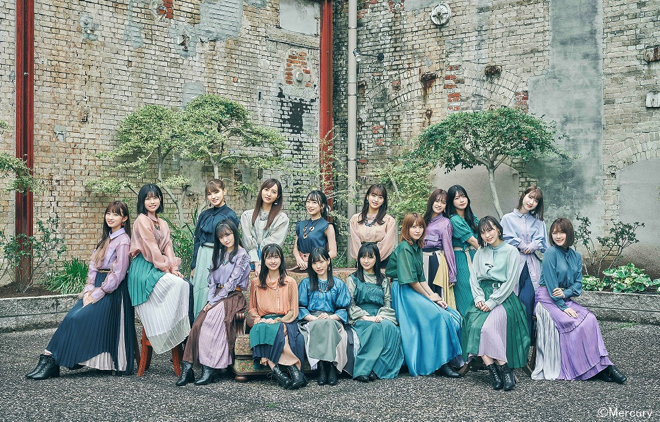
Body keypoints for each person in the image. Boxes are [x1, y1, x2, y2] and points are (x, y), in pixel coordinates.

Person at [26, 201, 136, 380]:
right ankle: (48, 359)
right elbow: (92, 267)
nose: (110, 217)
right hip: (97, 287)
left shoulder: (123, 241)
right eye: (108, 213)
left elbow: (119, 273)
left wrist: (99, 293)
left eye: (116, 214)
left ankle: (51, 360)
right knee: (71, 316)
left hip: (112, 293)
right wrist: (88, 291)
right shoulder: (105, 239)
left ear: (124, 219)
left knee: (78, 318)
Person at [532, 218, 626, 383]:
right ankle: (599, 369)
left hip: (564, 298)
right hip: (547, 299)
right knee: (571, 321)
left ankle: (600, 367)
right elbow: (552, 286)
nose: (558, 236)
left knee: (590, 319)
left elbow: (578, 286)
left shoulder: (575, 256)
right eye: (554, 233)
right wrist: (562, 306)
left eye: (562, 232)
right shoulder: (550, 253)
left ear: (569, 234)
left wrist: (566, 293)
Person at [386, 213, 462, 378]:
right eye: (413, 227)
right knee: (439, 316)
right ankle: (441, 364)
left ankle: (450, 359)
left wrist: (435, 296)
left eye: (420, 226)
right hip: (403, 291)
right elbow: (412, 282)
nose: (418, 230)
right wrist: (429, 298)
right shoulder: (404, 248)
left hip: (414, 289)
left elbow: (421, 278)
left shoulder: (417, 247)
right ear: (406, 229)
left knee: (453, 314)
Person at [176, 221, 250, 386]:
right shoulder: (219, 253)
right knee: (197, 324)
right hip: (217, 296)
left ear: (235, 233)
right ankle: (187, 368)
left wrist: (213, 302)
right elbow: (211, 281)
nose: (225, 239)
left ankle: (209, 368)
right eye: (221, 237)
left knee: (210, 321)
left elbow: (231, 283)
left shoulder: (242, 255)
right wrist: (211, 300)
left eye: (228, 234)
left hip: (233, 296)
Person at [461, 216, 530, 391]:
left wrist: (493, 302)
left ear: (498, 229)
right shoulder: (480, 252)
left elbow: (511, 282)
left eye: (490, 230)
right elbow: (474, 278)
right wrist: (478, 298)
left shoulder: (511, 251)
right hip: (482, 297)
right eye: (483, 232)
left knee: (487, 329)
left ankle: (505, 370)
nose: (487, 235)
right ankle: (495, 374)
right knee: (475, 327)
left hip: (503, 298)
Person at [127, 184, 191, 356]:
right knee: (177, 284)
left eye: (155, 197)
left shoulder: (163, 223)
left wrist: (173, 268)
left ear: (160, 199)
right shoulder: (142, 220)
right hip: (143, 267)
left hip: (159, 265)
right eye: (148, 198)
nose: (152, 201)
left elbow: (168, 247)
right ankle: (163, 331)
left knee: (183, 284)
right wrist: (167, 269)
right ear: (142, 201)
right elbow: (152, 249)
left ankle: (174, 331)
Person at [247, 244, 306, 389]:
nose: (273, 261)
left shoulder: (290, 282)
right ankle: (286, 373)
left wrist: (279, 320)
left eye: (276, 257)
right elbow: (252, 308)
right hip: (263, 320)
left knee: (279, 329)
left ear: (281, 259)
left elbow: (293, 310)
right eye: (269, 258)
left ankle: (286, 372)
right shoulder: (256, 282)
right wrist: (259, 319)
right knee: (261, 328)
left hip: (285, 319)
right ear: (264, 260)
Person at [346, 243, 404, 382]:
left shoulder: (382, 279)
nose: (366, 261)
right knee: (375, 328)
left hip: (380, 314)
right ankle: (362, 371)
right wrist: (366, 317)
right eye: (363, 257)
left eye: (370, 257)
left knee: (391, 328)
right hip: (361, 316)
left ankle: (378, 370)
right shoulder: (352, 279)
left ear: (376, 259)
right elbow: (350, 303)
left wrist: (381, 316)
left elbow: (387, 302)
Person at [298, 247, 353, 386]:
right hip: (312, 319)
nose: (318, 266)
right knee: (320, 325)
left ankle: (330, 366)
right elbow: (301, 308)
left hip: (332, 318)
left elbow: (343, 309)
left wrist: (330, 317)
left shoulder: (338, 284)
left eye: (321, 261)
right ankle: (323, 367)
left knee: (327, 324)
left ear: (328, 261)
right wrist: (315, 319)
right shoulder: (306, 283)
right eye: (314, 263)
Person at [500, 186, 548, 338]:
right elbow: (503, 240)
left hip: (532, 266)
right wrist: (520, 244)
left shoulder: (539, 222)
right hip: (513, 264)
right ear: (523, 196)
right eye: (530, 197)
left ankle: (525, 344)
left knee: (527, 303)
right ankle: (510, 344)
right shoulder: (507, 218)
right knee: (511, 304)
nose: (531, 202)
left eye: (536, 200)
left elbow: (544, 245)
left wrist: (534, 245)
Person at [190, 179, 240, 318]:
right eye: (209, 194)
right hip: (202, 256)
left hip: (219, 256)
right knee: (199, 291)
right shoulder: (204, 215)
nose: (213, 196)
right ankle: (196, 325)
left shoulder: (230, 215)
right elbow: (197, 240)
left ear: (224, 191)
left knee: (213, 290)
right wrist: (194, 265)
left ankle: (210, 326)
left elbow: (231, 242)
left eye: (216, 192)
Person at [240, 179, 289, 276]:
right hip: (250, 258)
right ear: (261, 191)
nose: (269, 194)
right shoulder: (247, 215)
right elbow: (247, 240)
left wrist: (262, 263)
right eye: (266, 190)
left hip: (271, 260)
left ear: (278, 196)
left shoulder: (282, 219)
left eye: (273, 192)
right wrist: (256, 262)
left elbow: (275, 242)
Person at [447, 185, 479, 316]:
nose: (461, 200)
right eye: (457, 198)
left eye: (463, 196)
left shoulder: (471, 216)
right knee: (467, 293)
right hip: (461, 259)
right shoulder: (454, 219)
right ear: (451, 201)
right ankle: (468, 325)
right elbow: (473, 241)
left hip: (475, 256)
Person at [422, 188, 457, 308]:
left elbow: (448, 248)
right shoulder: (423, 220)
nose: (439, 205)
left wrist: (452, 274)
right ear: (431, 202)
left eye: (443, 202)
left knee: (436, 296)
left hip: (435, 261)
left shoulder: (445, 223)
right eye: (437, 201)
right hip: (421, 260)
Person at [349, 184, 397, 267]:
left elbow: (387, 244)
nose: (376, 200)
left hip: (381, 263)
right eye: (373, 195)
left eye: (380, 197)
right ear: (367, 196)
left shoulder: (389, 220)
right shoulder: (355, 219)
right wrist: (363, 259)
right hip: (361, 262)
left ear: (383, 201)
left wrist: (374, 259)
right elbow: (354, 243)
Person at [293, 190, 337, 272]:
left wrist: (314, 262)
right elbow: (295, 248)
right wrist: (298, 259)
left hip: (319, 267)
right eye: (308, 202)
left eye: (314, 202)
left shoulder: (327, 226)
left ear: (322, 206)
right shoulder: (301, 225)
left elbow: (333, 252)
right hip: (302, 266)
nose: (310, 205)